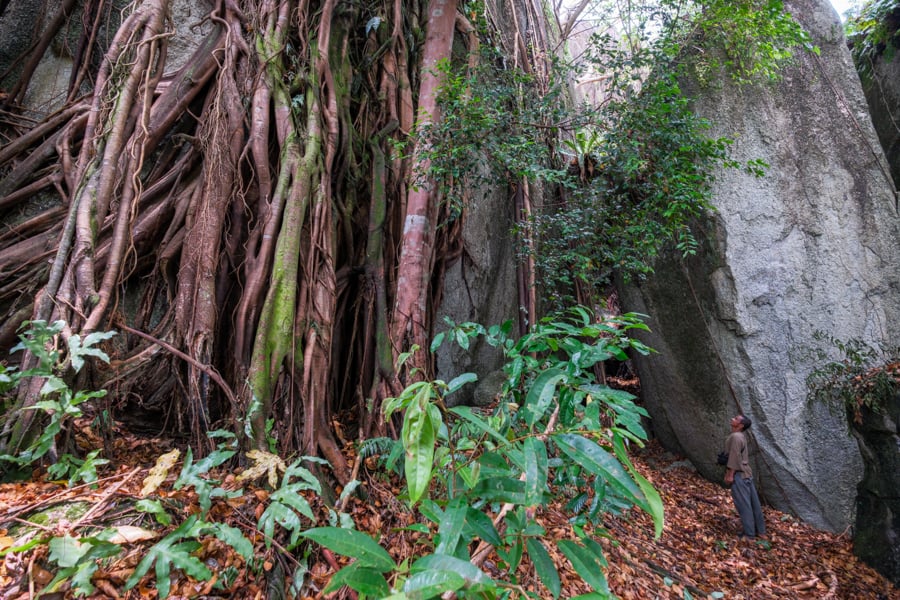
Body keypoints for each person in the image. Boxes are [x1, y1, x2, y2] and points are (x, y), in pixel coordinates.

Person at [723, 414, 766, 540]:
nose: (732, 419)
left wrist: (730, 474)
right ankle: (761, 531)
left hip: (739, 475)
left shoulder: (736, 436)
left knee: (744, 505)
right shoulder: (741, 436)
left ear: (741, 425)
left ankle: (750, 535)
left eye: (735, 419)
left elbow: (735, 457)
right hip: (747, 474)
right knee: (754, 504)